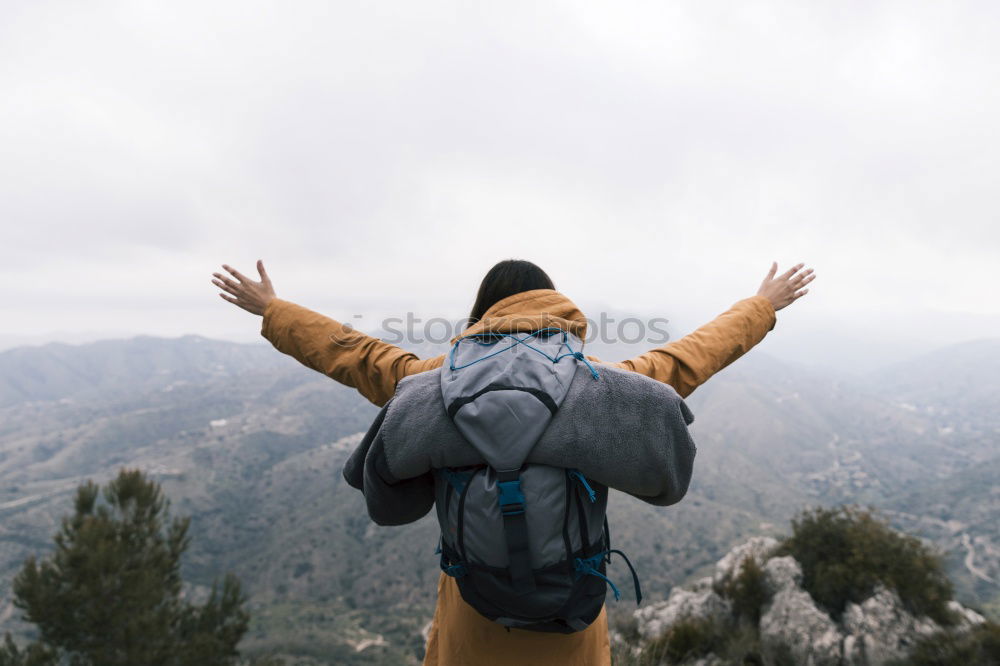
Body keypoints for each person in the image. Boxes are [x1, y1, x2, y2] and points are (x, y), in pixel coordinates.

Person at [211, 258, 814, 666]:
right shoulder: (603, 393)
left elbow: (357, 354)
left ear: (483, 314)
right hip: (570, 625)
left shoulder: (434, 386)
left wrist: (274, 310)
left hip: (473, 623)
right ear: (556, 310)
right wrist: (762, 305)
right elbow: (687, 358)